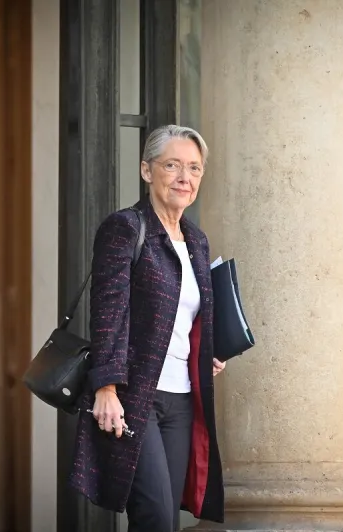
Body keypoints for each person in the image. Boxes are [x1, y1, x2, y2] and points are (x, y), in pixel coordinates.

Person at [70, 125, 227, 531]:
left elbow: (186, 315)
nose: (184, 177)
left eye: (194, 168)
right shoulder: (125, 228)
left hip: (181, 398)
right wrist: (105, 387)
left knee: (164, 521)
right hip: (135, 395)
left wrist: (203, 349)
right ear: (146, 170)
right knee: (155, 515)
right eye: (172, 165)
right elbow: (108, 311)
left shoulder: (196, 239)